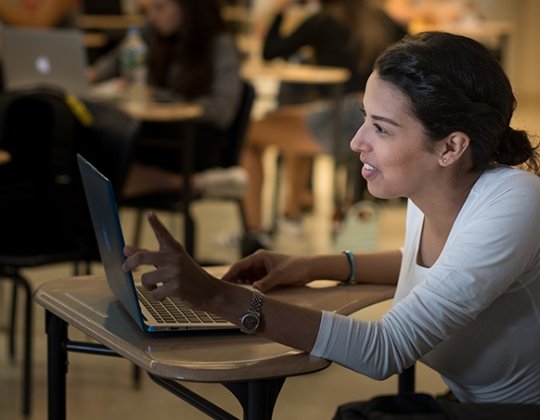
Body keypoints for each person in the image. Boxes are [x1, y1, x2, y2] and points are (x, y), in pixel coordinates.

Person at [122, 31, 540, 405]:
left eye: (381, 128)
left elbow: (384, 349)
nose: (358, 142)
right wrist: (316, 264)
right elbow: (438, 264)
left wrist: (214, 297)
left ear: (451, 147)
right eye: (364, 119)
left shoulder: (515, 202)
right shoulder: (436, 185)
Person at [242, 0, 405, 235]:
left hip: (343, 116)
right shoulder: (382, 19)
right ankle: (292, 212)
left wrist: (278, 10)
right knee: (288, 121)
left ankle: (253, 232)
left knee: (249, 133)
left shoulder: (324, 20)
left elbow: (271, 51)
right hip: (378, 119)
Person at [89, 0, 243, 197]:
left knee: (113, 160)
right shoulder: (152, 33)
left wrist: (160, 97)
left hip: (196, 138)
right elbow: (115, 60)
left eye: (160, 8)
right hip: (158, 132)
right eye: (149, 9)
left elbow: (222, 110)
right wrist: (90, 75)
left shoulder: (219, 44)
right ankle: (197, 184)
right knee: (102, 150)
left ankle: (192, 182)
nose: (152, 16)